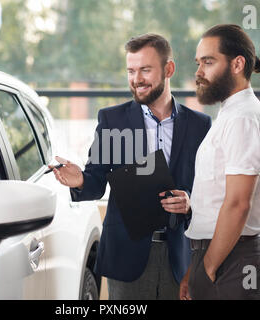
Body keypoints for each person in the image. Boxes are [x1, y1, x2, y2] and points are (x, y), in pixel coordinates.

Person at [50, 33, 211, 300]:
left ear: (169, 69)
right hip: (126, 258)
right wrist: (79, 179)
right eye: (131, 71)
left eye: (145, 70)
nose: (136, 79)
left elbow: (211, 190)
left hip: (180, 258)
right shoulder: (113, 120)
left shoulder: (199, 125)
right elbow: (95, 181)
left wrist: (191, 202)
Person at [179, 24, 260, 300]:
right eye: (198, 63)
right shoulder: (231, 112)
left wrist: (208, 266)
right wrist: (196, 268)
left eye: (208, 62)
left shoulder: (243, 117)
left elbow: (238, 203)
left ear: (237, 64)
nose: (199, 72)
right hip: (220, 254)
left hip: (230, 260)